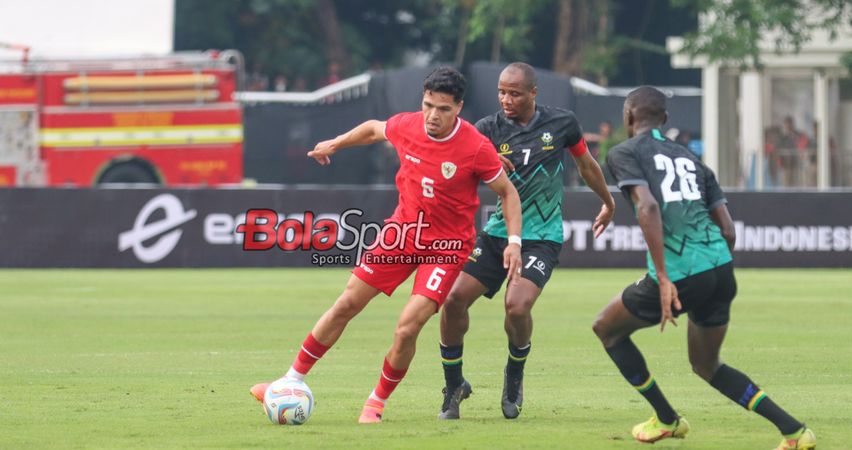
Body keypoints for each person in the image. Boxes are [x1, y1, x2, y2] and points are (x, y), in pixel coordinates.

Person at [250, 67, 524, 424]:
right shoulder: (408, 125)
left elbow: (508, 193)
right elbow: (374, 128)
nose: (432, 115)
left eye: (442, 109)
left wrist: (514, 242)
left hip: (447, 246)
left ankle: (375, 402)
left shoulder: (475, 147)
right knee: (346, 303)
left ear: (458, 107)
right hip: (402, 234)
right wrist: (336, 143)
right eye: (427, 105)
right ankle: (290, 380)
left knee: (407, 326)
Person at [591, 86, 815, 449]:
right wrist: (711, 274)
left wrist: (664, 278)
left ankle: (667, 419)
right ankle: (794, 431)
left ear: (628, 118)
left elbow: (646, 207)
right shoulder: (695, 162)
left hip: (679, 274)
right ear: (664, 120)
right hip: (720, 268)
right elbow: (728, 229)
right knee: (707, 365)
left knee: (607, 329)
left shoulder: (624, 152)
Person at [437, 62, 616, 420]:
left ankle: (514, 373)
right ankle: (454, 386)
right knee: (453, 300)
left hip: (542, 237)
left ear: (533, 93)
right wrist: (482, 165)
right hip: (497, 234)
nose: (506, 99)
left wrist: (608, 201)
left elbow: (586, 165)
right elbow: (453, 166)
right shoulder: (486, 129)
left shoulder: (562, 124)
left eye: (515, 93)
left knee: (517, 307)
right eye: (501, 91)